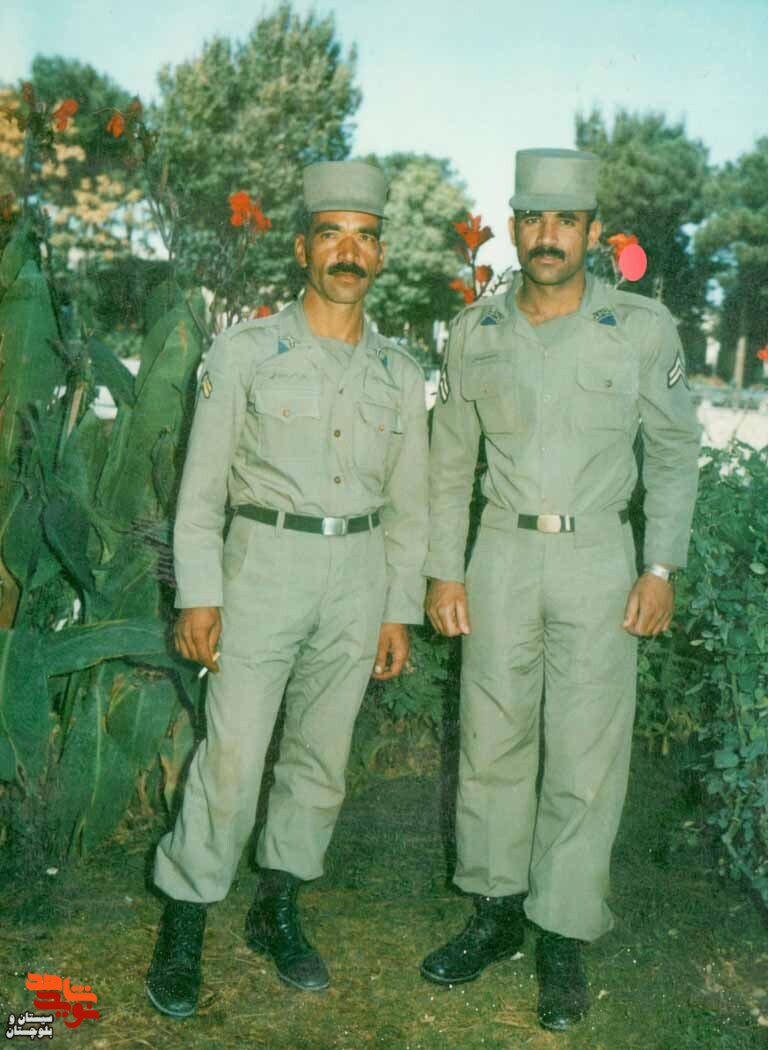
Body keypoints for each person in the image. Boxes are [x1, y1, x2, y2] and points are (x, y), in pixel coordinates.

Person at [419, 148, 700, 1031]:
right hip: (500, 553)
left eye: (565, 222)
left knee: (585, 752)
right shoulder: (476, 331)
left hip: (599, 556)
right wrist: (444, 568)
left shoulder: (641, 328)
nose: (548, 236)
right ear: (514, 226)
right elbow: (448, 461)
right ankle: (495, 910)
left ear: (592, 232)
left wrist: (660, 566)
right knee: (491, 741)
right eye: (533, 220)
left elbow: (674, 451)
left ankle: (564, 933)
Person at [146, 160, 429, 1019]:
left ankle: (277, 909)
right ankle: (186, 919)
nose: (349, 252)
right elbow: (200, 492)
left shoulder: (400, 372)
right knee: (231, 757)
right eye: (332, 235)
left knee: (320, 757)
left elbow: (410, 505)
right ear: (304, 248)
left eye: (365, 238)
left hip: (359, 574)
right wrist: (199, 595)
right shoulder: (245, 353)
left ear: (380, 254)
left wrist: (397, 610)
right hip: (262, 568)